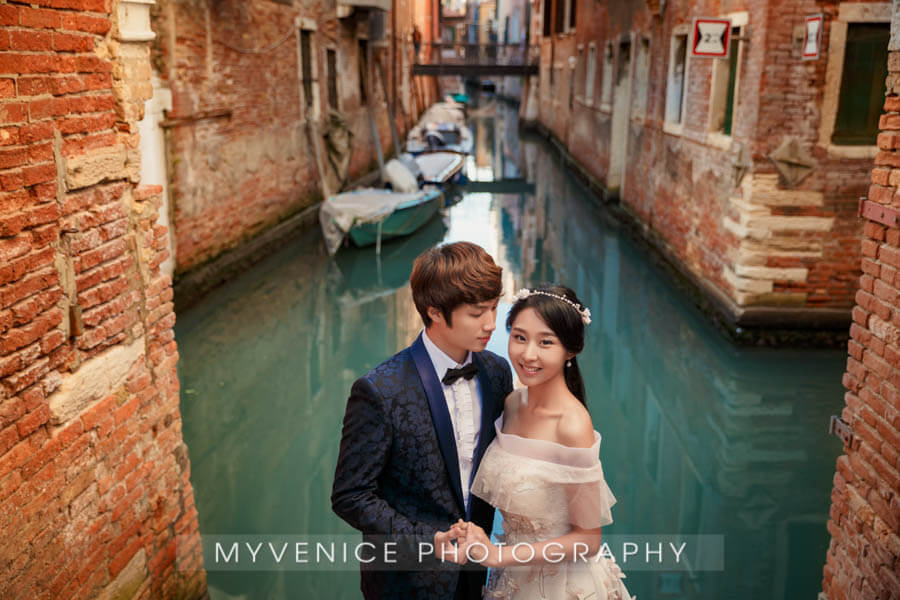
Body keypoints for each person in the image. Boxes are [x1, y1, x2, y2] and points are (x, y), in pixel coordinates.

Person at [331, 241, 514, 599]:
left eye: (493, 308)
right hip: (405, 582)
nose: (491, 324)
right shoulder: (378, 390)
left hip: (477, 573)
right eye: (477, 314)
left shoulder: (497, 373)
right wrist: (428, 540)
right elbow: (351, 495)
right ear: (434, 312)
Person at [439, 285, 634, 600]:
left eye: (546, 342)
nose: (528, 354)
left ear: (570, 350)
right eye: (519, 337)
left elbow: (588, 539)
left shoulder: (572, 424)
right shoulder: (513, 404)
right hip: (511, 578)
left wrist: (498, 556)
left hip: (563, 585)